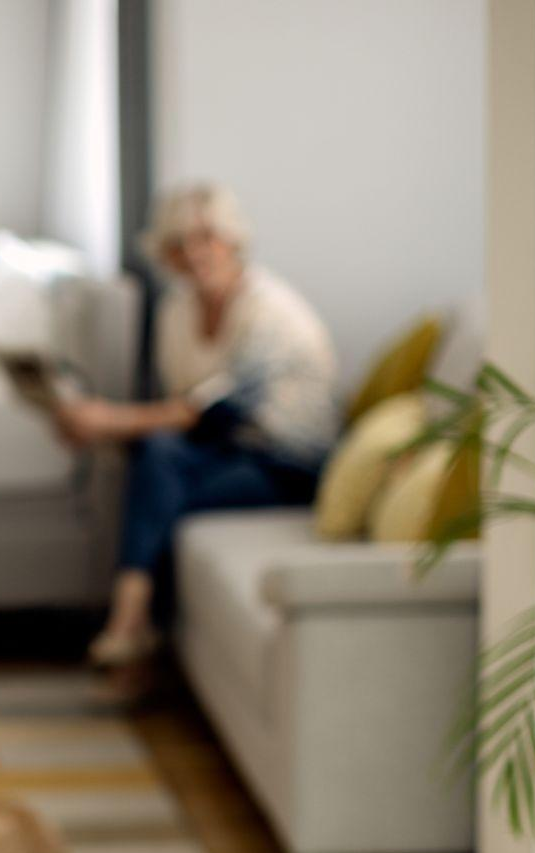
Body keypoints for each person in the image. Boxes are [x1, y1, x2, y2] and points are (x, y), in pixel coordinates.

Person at [52, 182, 337, 667]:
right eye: (180, 243)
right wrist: (100, 426)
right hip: (226, 449)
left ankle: (131, 625)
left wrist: (107, 421)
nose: (196, 253)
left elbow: (211, 408)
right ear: (166, 254)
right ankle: (134, 627)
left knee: (159, 490)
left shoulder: (270, 311)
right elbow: (179, 412)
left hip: (288, 464)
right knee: (157, 457)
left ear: (233, 240)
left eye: (207, 237)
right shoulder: (176, 310)